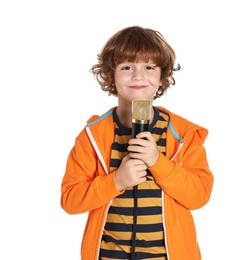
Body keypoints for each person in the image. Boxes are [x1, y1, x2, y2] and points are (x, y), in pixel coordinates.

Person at [60, 25, 214, 260]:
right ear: (111, 74)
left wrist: (157, 162)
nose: (138, 76)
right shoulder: (92, 136)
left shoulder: (183, 134)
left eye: (149, 67)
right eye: (127, 67)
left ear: (162, 77)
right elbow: (71, 201)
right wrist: (117, 180)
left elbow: (199, 196)